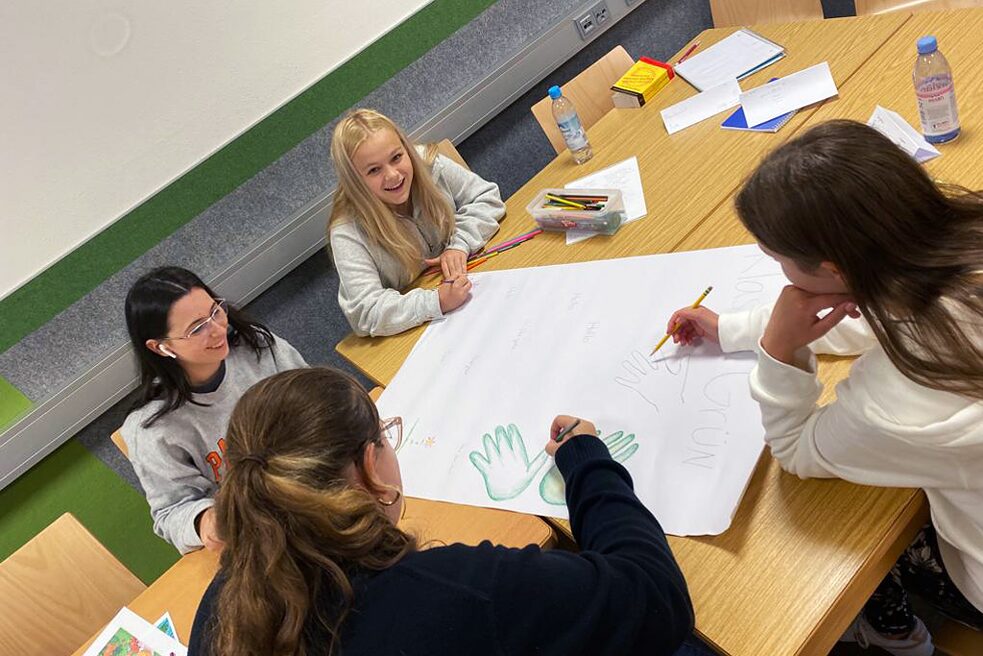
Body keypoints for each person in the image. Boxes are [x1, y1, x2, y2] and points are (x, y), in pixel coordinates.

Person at [666, 120, 983, 655]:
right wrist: (735, 329)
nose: (782, 275)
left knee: (851, 539)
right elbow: (887, 315)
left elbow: (797, 449)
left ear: (836, 269)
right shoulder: (954, 246)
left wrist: (778, 349)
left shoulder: (896, 403)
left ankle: (895, 636)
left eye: (779, 262)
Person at [187, 367, 701, 656]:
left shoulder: (221, 612)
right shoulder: (454, 593)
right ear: (369, 468)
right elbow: (656, 598)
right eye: (385, 436)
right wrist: (588, 463)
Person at [121, 266, 307, 554]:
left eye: (215, 311)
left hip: (312, 486)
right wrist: (204, 520)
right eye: (197, 328)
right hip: (262, 535)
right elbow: (171, 512)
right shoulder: (152, 428)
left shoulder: (255, 347)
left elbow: (317, 400)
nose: (218, 330)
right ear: (160, 347)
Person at [328, 108, 504, 337]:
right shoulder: (347, 231)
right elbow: (366, 312)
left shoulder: (428, 163)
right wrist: (435, 302)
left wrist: (459, 245)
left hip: (472, 283)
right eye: (374, 170)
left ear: (406, 148)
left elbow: (487, 197)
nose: (393, 175)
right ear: (354, 181)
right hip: (421, 328)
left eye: (396, 157)